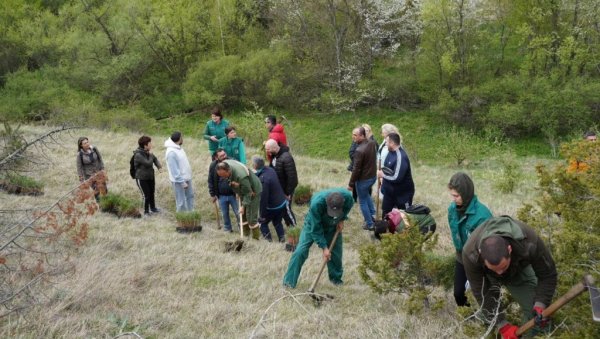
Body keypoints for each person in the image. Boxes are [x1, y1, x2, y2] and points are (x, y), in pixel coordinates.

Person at [462, 216, 557, 339]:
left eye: (503, 266)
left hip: (517, 271)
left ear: (509, 249)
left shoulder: (529, 242)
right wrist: (502, 325)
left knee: (539, 318)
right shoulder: (470, 254)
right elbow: (482, 293)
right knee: (488, 316)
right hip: (487, 277)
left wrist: (541, 303)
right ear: (480, 254)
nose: (500, 273)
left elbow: (548, 274)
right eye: (495, 269)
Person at [283, 188, 354, 288]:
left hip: (333, 226)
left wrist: (342, 219)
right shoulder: (316, 204)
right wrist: (324, 248)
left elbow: (347, 208)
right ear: (326, 203)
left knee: (336, 254)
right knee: (300, 252)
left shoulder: (347, 197)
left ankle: (336, 280)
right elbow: (315, 230)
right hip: (312, 225)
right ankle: (289, 282)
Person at [447, 172, 492, 307]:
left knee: (481, 294)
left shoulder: (482, 216)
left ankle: (487, 317)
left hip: (479, 260)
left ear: (466, 194)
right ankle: (468, 316)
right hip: (461, 256)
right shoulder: (452, 209)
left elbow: (488, 245)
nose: (454, 199)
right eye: (452, 195)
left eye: (457, 196)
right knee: (458, 293)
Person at [216, 159, 262, 239]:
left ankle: (255, 239)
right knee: (242, 215)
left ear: (228, 170)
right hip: (243, 189)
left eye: (224, 175)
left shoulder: (241, 176)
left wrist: (243, 206)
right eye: (221, 176)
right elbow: (232, 181)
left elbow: (248, 193)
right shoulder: (226, 164)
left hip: (253, 190)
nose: (223, 178)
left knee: (251, 217)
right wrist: (237, 191)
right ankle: (245, 236)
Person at [377, 132, 415, 217]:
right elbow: (386, 169)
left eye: (387, 142)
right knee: (386, 215)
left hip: (402, 194)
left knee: (404, 217)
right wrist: (382, 180)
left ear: (392, 143)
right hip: (389, 193)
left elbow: (397, 177)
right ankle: (386, 229)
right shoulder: (390, 152)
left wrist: (382, 175)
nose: (385, 144)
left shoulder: (400, 157)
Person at [348, 126, 378, 230]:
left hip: (363, 180)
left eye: (355, 135)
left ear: (362, 135)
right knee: (366, 195)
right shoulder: (372, 143)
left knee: (362, 201)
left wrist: (351, 184)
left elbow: (356, 170)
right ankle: (374, 214)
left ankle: (369, 224)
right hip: (372, 177)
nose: (353, 137)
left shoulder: (359, 150)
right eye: (353, 134)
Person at [253, 156, 287, 242]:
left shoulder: (263, 181)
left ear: (255, 166)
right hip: (282, 202)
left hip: (273, 206)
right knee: (277, 222)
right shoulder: (270, 170)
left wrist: (261, 215)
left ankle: (268, 240)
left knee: (262, 223)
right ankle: (282, 238)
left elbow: (263, 199)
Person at [265, 139, 298, 227]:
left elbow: (293, 179)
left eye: (268, 149)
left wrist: (287, 193)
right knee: (282, 209)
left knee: (286, 210)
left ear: (274, 148)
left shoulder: (287, 158)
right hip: (278, 189)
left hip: (286, 190)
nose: (267, 152)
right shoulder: (274, 155)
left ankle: (294, 228)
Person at [208, 148, 239, 233]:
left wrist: (238, 192)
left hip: (234, 195)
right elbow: (210, 180)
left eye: (224, 154)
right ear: (216, 158)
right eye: (221, 156)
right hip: (221, 195)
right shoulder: (213, 166)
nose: (224, 156)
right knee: (225, 214)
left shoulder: (233, 162)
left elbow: (239, 178)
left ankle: (243, 229)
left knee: (238, 213)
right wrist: (212, 194)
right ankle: (227, 229)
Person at [164, 131, 194, 212]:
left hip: (187, 178)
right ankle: (182, 220)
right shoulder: (171, 153)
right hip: (179, 181)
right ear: (179, 139)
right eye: (182, 137)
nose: (183, 139)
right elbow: (174, 170)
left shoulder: (178, 148)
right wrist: (182, 182)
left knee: (190, 196)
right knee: (181, 201)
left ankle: (191, 215)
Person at [133, 136, 162, 216]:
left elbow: (155, 159)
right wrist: (151, 156)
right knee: (146, 195)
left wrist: (159, 167)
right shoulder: (138, 154)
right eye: (150, 143)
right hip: (141, 178)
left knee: (151, 192)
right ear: (145, 145)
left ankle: (153, 208)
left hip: (150, 177)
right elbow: (148, 163)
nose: (151, 144)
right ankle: (146, 212)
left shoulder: (148, 152)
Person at [76, 136, 107, 201]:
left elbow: (100, 159)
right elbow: (79, 167)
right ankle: (100, 205)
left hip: (99, 172)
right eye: (85, 143)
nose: (87, 144)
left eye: (87, 142)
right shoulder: (80, 154)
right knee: (96, 191)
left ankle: (107, 202)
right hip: (90, 176)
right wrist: (81, 179)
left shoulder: (94, 149)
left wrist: (103, 169)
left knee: (104, 188)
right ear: (81, 145)